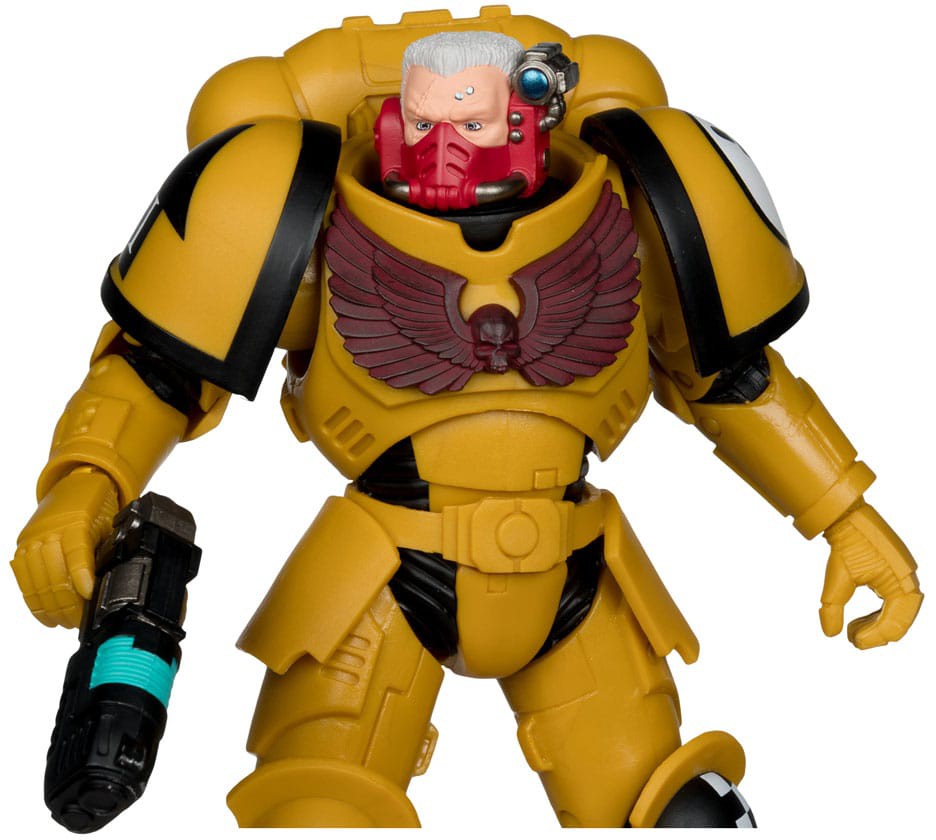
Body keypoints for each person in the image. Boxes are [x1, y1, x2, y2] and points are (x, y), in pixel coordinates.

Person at [10, 11, 920, 829]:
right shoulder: (317, 226)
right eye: (422, 125)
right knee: (320, 808)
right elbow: (160, 370)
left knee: (668, 809)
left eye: (473, 124)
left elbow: (728, 377)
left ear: (529, 121)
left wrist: (844, 513)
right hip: (381, 571)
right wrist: (86, 485)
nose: (444, 148)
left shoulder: (625, 218)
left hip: (578, 571)